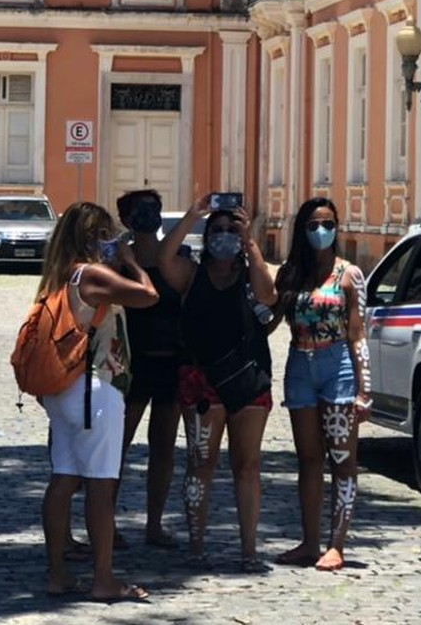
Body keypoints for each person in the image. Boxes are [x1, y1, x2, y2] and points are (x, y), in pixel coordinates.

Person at [38, 202, 158, 602]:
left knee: (64, 480)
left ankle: (57, 573)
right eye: (107, 234)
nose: (113, 240)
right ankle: (103, 578)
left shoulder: (61, 275)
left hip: (64, 391)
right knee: (101, 488)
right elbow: (148, 294)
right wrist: (129, 260)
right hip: (96, 389)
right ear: (93, 238)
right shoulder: (92, 275)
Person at [158, 195, 277, 572]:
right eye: (218, 230)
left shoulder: (248, 273)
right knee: (201, 462)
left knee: (248, 465)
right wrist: (193, 215)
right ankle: (196, 545)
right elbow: (163, 260)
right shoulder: (192, 274)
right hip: (202, 381)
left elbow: (268, 295)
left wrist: (251, 241)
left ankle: (249, 550)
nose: (224, 236)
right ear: (207, 236)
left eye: (231, 230)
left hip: (249, 377)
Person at [274, 196, 370, 572]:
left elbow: (358, 332)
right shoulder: (291, 274)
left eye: (328, 223)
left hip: (337, 366)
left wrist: (365, 388)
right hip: (300, 363)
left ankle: (337, 543)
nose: (321, 231)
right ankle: (309, 541)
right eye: (313, 225)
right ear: (302, 230)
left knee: (342, 459)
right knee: (309, 459)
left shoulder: (349, 274)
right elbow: (270, 316)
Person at [112, 190, 183, 549]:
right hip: (131, 364)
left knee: (164, 449)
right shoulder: (117, 264)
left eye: (154, 208)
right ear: (126, 219)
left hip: (170, 360)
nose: (149, 215)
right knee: (117, 446)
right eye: (141, 211)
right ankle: (105, 521)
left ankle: (154, 523)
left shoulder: (177, 258)